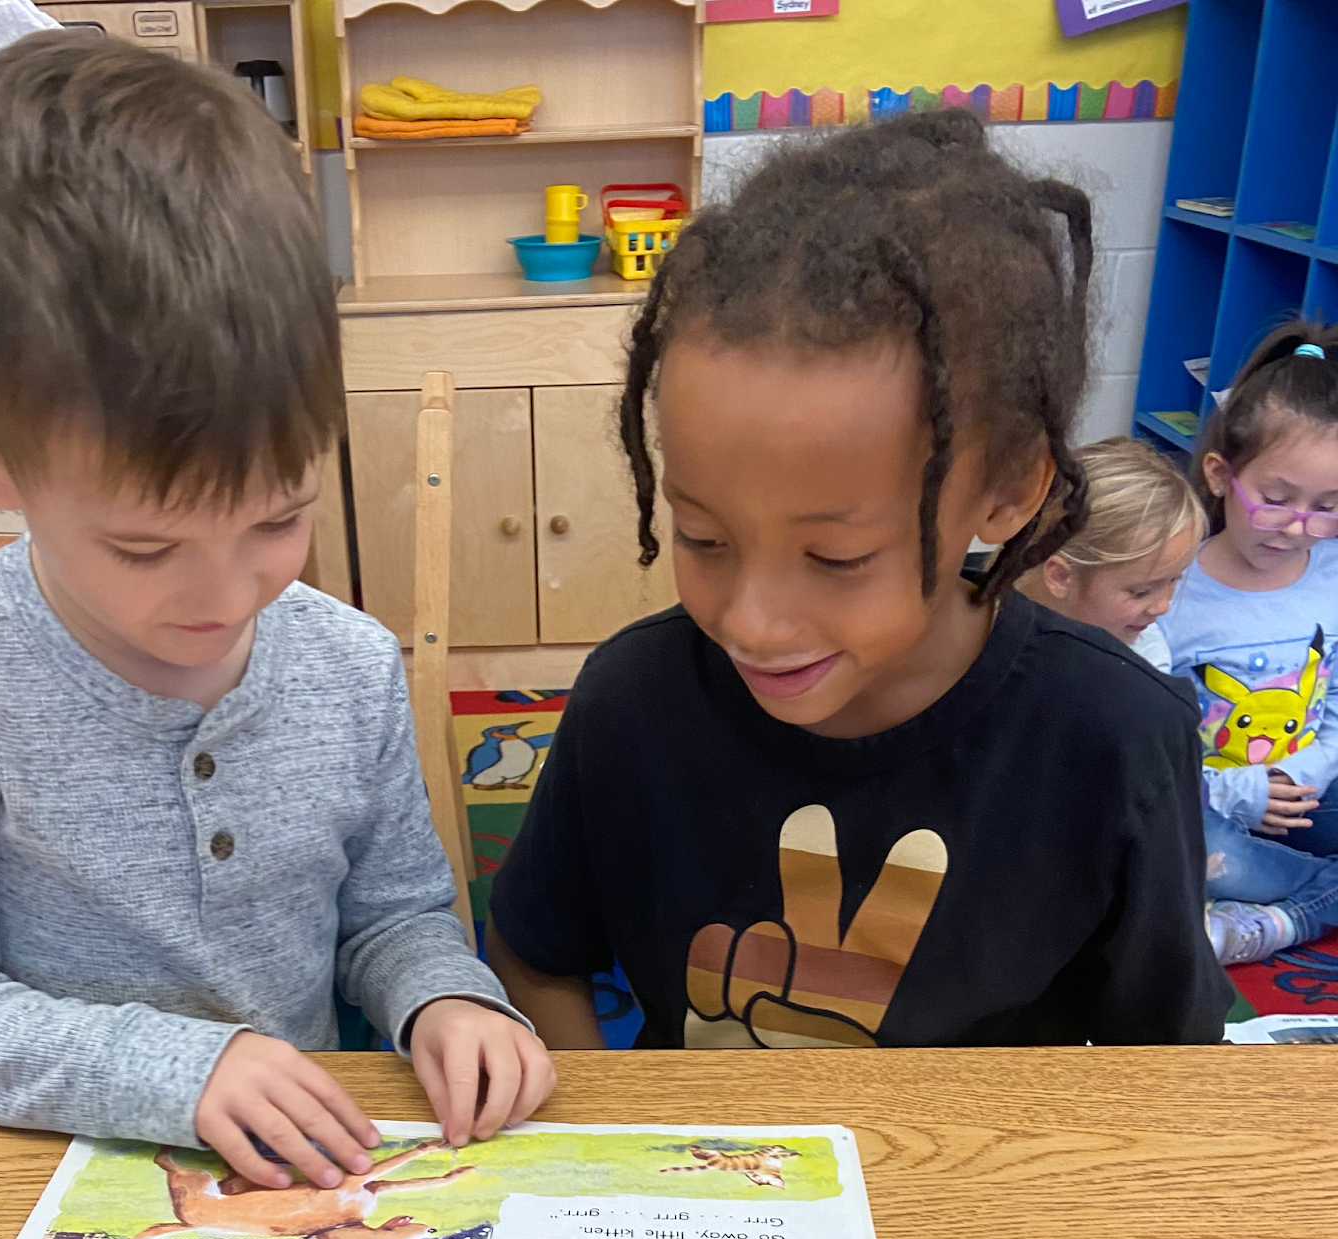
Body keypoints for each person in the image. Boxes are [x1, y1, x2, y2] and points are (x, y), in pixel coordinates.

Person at [0, 31, 552, 1186]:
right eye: (144, 545)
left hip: (294, 1186)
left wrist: (444, 998)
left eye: (277, 519)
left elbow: (394, 912)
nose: (226, 596)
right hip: (37, 1178)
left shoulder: (347, 663)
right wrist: (173, 1067)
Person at [485, 110, 1232, 1049]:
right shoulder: (632, 701)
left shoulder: (1114, 736)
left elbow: (1161, 1061)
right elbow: (535, 957)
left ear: (1008, 495)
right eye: (704, 537)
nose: (751, 623)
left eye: (837, 559)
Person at [1141, 322, 1338, 967]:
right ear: (1221, 475)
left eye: (1328, 506)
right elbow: (1149, 749)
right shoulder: (1174, 589)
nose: (1297, 527)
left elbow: (1334, 706)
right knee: (1153, 838)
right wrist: (1241, 790)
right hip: (1212, 808)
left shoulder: (1331, 574)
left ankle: (1248, 914)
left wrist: (1297, 775)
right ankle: (1265, 917)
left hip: (1307, 795)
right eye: (1277, 499)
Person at [1016, 436, 1202, 645]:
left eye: (1174, 579)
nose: (1163, 607)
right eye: (1141, 592)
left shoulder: (1147, 646)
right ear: (1060, 576)